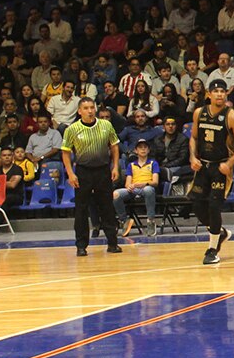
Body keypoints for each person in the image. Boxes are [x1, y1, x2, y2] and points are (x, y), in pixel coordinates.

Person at [188, 79, 234, 265]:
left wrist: (230, 163)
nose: (219, 94)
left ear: (226, 94)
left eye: (222, 91)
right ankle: (219, 232)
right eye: (216, 91)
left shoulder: (232, 117)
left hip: (221, 167)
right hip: (203, 165)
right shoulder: (199, 113)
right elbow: (193, 137)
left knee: (214, 205)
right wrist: (192, 157)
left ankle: (212, 249)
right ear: (209, 94)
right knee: (196, 204)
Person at [61, 97, 122, 257]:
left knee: (107, 207)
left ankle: (112, 243)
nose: (89, 111)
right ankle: (81, 246)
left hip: (103, 170)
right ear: (79, 111)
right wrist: (70, 173)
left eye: (92, 107)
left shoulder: (106, 125)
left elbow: (114, 146)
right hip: (83, 171)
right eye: (86, 108)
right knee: (81, 210)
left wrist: (115, 166)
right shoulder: (72, 129)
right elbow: (65, 153)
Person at [113, 139, 160, 238]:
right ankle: (124, 220)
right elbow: (127, 183)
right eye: (140, 148)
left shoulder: (153, 163)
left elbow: (155, 182)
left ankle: (150, 221)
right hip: (134, 188)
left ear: (148, 150)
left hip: (146, 187)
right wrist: (130, 186)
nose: (143, 149)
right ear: (136, 150)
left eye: (145, 147)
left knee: (149, 190)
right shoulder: (131, 165)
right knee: (116, 194)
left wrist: (145, 183)